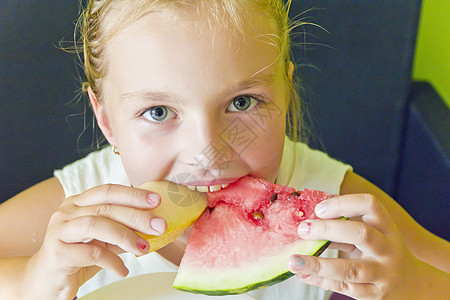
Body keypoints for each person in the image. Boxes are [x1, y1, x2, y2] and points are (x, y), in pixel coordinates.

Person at [0, 0, 449, 299]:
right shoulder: (86, 200)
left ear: (286, 93)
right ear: (107, 120)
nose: (207, 151)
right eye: (158, 112)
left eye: (241, 103)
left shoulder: (333, 202)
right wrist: (31, 281)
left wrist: (416, 283)